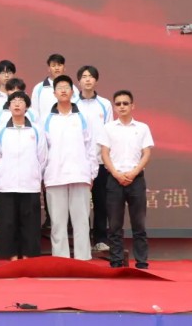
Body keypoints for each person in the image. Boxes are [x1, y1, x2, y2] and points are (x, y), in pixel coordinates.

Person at [98, 90, 154, 269]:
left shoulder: (142, 128)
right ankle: (116, 260)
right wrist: (116, 173)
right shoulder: (108, 128)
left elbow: (147, 153)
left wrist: (134, 172)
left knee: (139, 223)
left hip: (136, 179)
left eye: (125, 103)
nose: (122, 106)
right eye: (118, 104)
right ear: (114, 107)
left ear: (132, 106)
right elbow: (104, 153)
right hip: (115, 179)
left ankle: (141, 261)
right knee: (114, 224)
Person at [42, 75, 96, 260]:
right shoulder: (46, 119)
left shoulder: (82, 117)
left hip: (80, 175)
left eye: (67, 87)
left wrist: (91, 173)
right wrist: (43, 174)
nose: (63, 90)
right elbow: (42, 150)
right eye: (60, 88)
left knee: (81, 221)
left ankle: (83, 259)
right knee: (58, 222)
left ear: (73, 92)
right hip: (55, 176)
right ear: (54, 93)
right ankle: (60, 259)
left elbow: (90, 146)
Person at [0, 92, 46, 260]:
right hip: (8, 184)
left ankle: (29, 256)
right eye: (13, 101)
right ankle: (12, 256)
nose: (17, 104)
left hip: (30, 184)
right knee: (8, 222)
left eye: (21, 101)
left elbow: (42, 156)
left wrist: (35, 173)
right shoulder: (1, 130)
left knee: (30, 223)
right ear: (8, 106)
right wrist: (3, 171)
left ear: (26, 106)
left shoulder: (36, 129)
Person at [74, 66, 113, 252]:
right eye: (84, 76)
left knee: (101, 202)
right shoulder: (72, 104)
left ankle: (100, 239)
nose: (87, 79)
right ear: (78, 81)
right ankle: (81, 240)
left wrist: (106, 157)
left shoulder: (105, 104)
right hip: (78, 162)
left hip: (100, 160)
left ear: (96, 81)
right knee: (79, 204)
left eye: (91, 76)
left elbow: (109, 132)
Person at [31, 54, 80, 121]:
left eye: (59, 65)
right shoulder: (39, 88)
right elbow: (34, 111)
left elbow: (77, 108)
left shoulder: (73, 88)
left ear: (64, 68)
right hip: (44, 126)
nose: (57, 68)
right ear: (49, 69)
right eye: (53, 66)